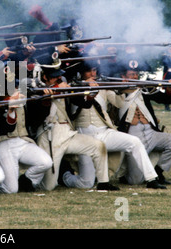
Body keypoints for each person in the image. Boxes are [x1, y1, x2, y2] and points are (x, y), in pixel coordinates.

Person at [27, 56, 119, 191]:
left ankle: (103, 183)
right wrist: (46, 99)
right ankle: (28, 181)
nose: (58, 79)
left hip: (67, 132)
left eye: (59, 76)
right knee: (48, 186)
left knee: (98, 146)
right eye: (53, 77)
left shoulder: (64, 86)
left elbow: (82, 103)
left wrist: (90, 94)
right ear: (44, 77)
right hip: (49, 136)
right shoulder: (35, 90)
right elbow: (34, 120)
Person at [72, 60, 167, 189]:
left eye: (94, 70)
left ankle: (151, 179)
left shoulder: (102, 86)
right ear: (81, 73)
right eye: (89, 71)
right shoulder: (72, 87)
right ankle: (65, 176)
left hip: (103, 131)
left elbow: (119, 103)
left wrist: (120, 90)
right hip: (83, 136)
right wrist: (86, 87)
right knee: (86, 183)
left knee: (134, 142)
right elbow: (77, 104)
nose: (92, 73)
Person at [117, 59, 171, 185]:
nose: (134, 77)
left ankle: (158, 172)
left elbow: (165, 99)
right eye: (131, 75)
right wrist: (122, 88)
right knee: (135, 181)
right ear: (123, 76)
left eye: (136, 74)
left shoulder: (145, 88)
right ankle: (126, 175)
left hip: (151, 132)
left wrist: (170, 89)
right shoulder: (116, 91)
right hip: (132, 135)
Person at [0, 69, 53, 194]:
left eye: (15, 86)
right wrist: (10, 108)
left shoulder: (23, 100)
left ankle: (26, 181)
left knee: (46, 162)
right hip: (5, 143)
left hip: (24, 141)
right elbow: (6, 127)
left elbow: (36, 120)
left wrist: (45, 103)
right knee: (11, 189)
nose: (16, 89)